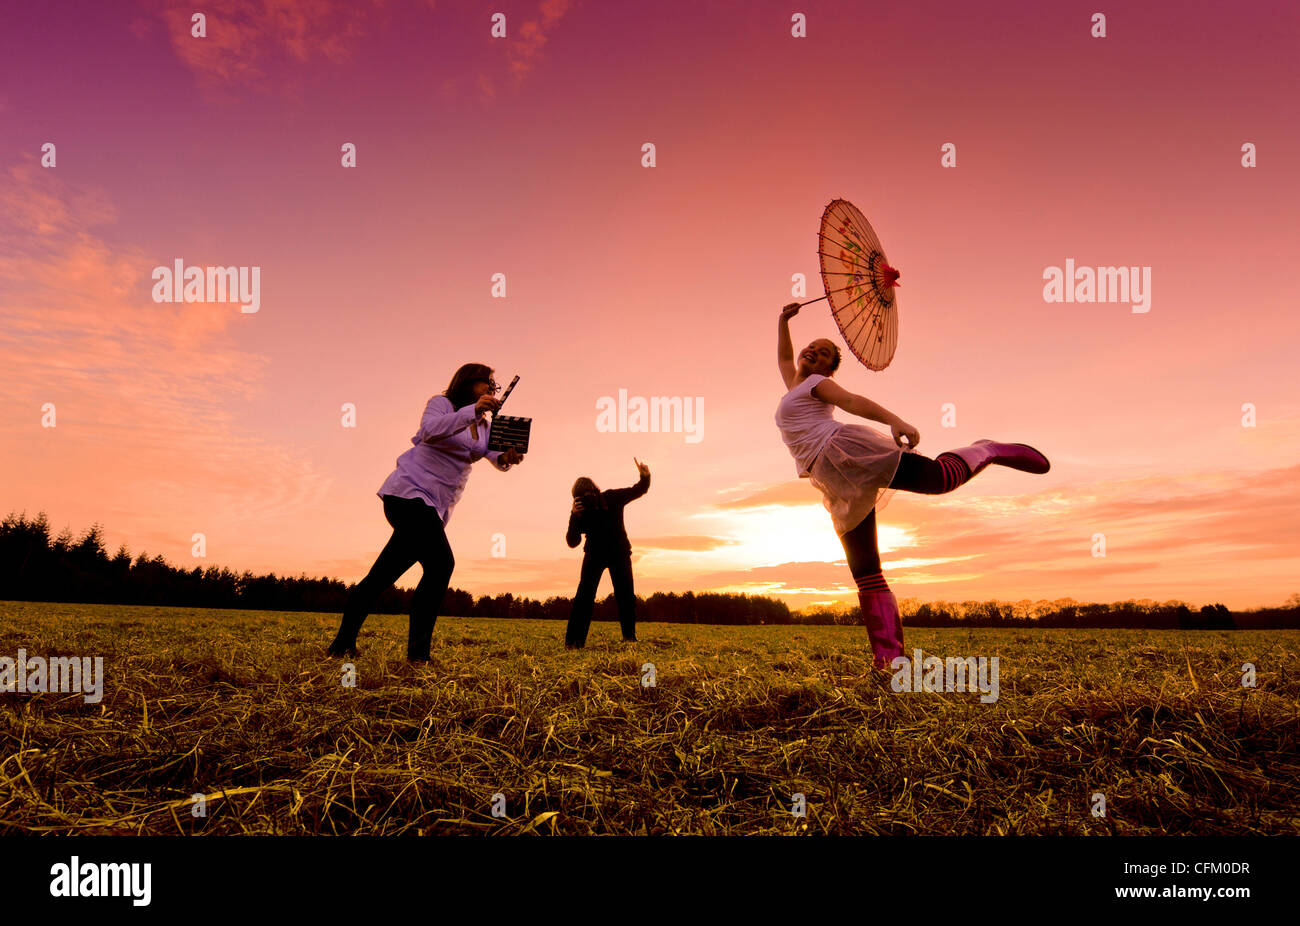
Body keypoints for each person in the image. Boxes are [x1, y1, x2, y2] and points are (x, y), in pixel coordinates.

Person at [774, 302, 1049, 669]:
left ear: (827, 368)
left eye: (824, 352)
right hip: (833, 479)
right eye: (813, 346)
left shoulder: (816, 384)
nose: (813, 352)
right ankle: (889, 658)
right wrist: (783, 321)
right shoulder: (792, 386)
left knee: (940, 479)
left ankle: (987, 449)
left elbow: (852, 401)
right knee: (865, 568)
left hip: (849, 453)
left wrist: (894, 420)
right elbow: (783, 358)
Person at [327, 363, 524, 661]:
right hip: (408, 494)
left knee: (382, 576)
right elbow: (429, 432)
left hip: (435, 507)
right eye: (486, 384)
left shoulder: (485, 426)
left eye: (493, 387)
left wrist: (508, 457)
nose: (491, 390)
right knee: (441, 564)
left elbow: (492, 455)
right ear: (468, 382)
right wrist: (470, 411)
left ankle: (341, 645)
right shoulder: (441, 405)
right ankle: (418, 656)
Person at [563, 458, 651, 647]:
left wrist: (645, 476)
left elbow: (639, 490)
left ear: (596, 490)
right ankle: (574, 641)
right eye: (582, 496)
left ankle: (629, 636)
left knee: (625, 594)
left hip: (619, 553)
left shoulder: (612, 498)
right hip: (594, 555)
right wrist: (574, 517)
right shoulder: (581, 511)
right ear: (577, 499)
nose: (588, 497)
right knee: (585, 595)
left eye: (590, 493)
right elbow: (572, 542)